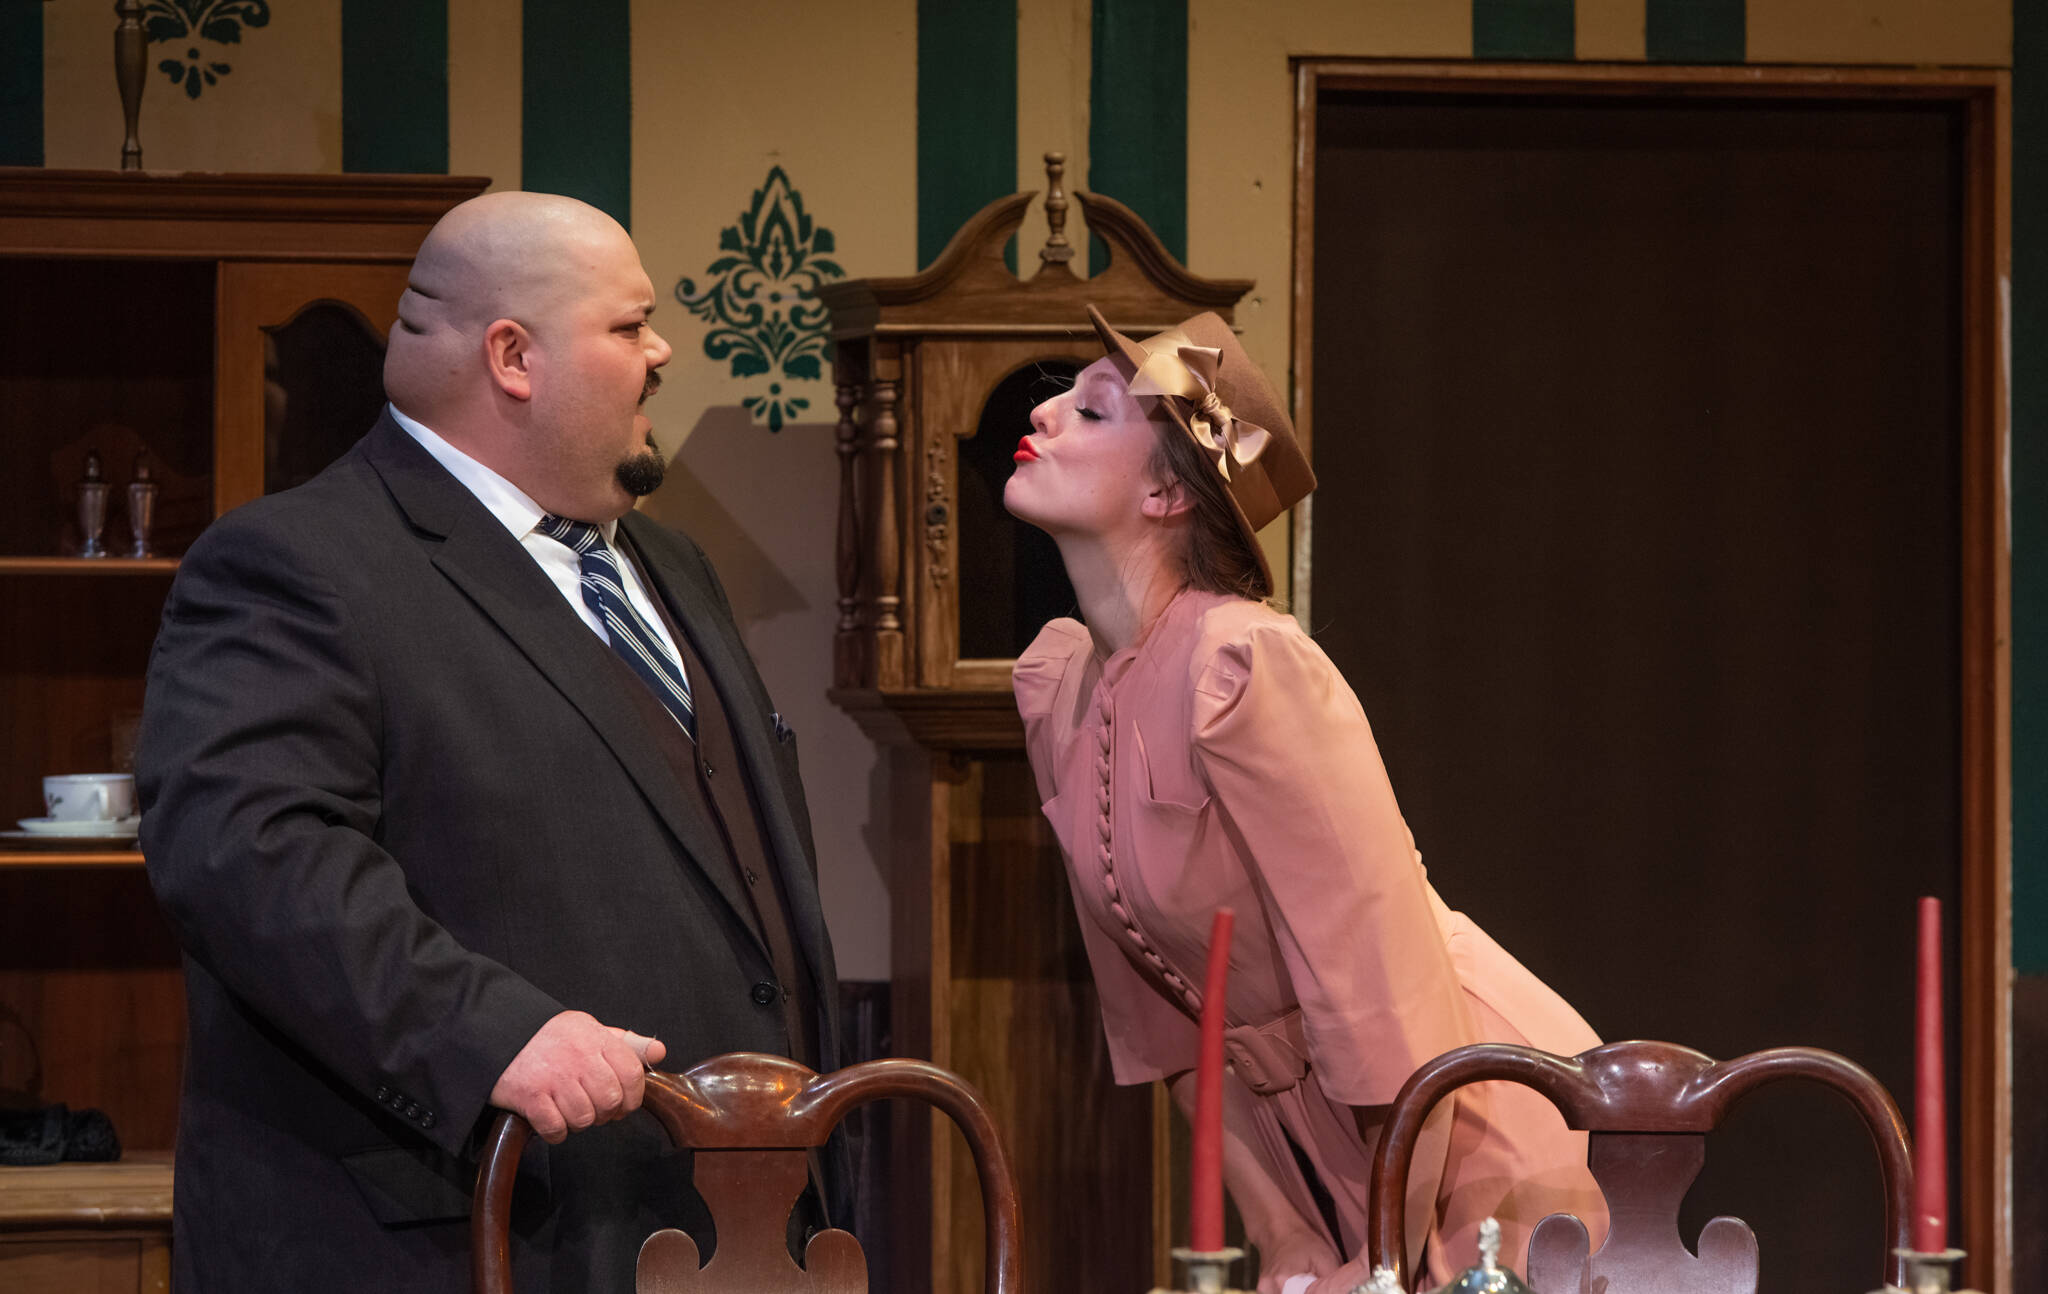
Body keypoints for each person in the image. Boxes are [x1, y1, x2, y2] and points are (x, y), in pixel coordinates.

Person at [138, 191, 843, 1293]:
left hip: (717, 1237)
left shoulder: (676, 568)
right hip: (464, 1236)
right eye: (628, 325)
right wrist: (494, 1033)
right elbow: (249, 853)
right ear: (513, 356)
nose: (662, 353)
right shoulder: (295, 564)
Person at [1007, 307, 1607, 1291]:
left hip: (1466, 1125)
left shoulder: (1242, 662)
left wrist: (1376, 1254)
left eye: (1095, 406)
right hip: (1314, 1148)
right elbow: (1164, 1023)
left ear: (1166, 489)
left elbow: (1385, 1003)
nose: (1045, 410)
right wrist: (1280, 1231)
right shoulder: (1059, 687)